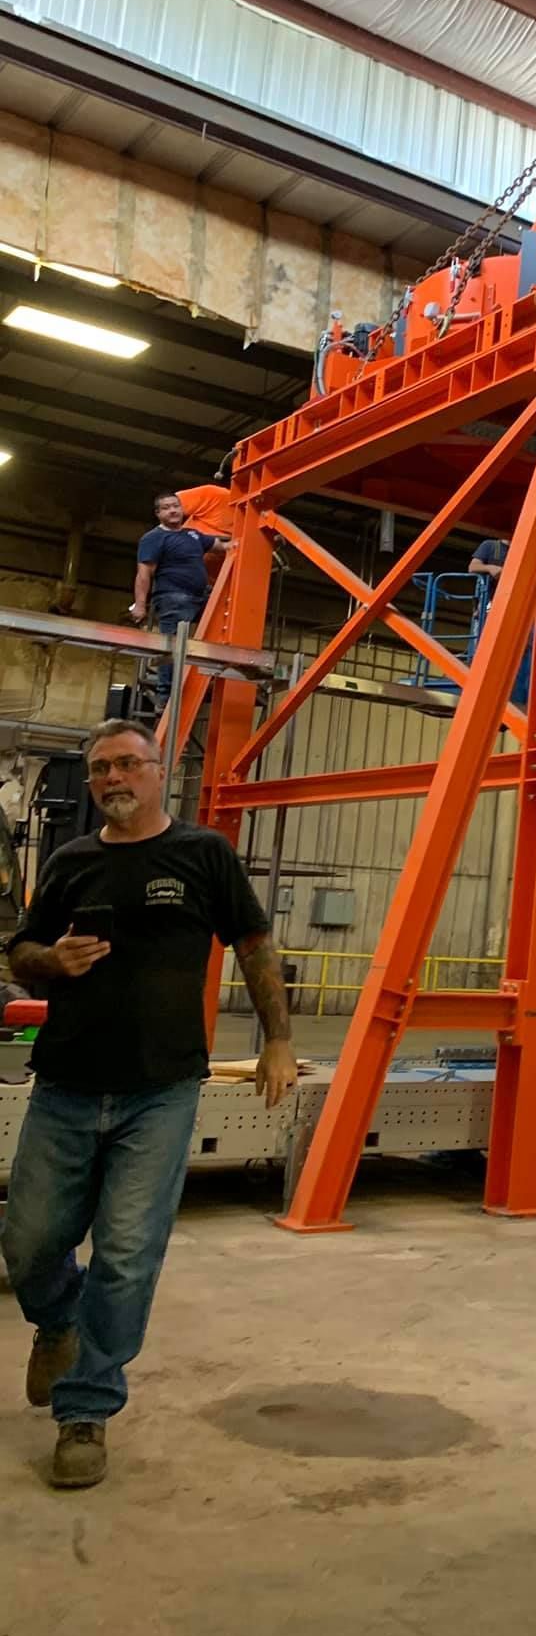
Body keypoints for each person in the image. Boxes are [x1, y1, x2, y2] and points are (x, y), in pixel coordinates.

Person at [0, 718, 297, 1490]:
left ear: (159, 772)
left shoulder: (203, 855)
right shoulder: (71, 861)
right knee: (29, 1243)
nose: (113, 778)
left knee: (127, 1257)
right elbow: (21, 952)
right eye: (101, 768)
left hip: (160, 1092)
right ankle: (58, 1321)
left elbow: (254, 944)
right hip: (66, 1083)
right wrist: (51, 961)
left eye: (128, 763)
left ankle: (85, 1412)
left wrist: (277, 1040)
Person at [130, 492, 227, 710]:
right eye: (166, 508)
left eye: (176, 506)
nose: (173, 510)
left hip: (201, 596)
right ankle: (166, 698)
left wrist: (261, 539)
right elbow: (144, 573)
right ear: (158, 513)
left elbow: (223, 547)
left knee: (226, 623)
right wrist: (140, 604)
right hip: (174, 597)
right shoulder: (153, 538)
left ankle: (212, 679)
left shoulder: (193, 534)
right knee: (172, 647)